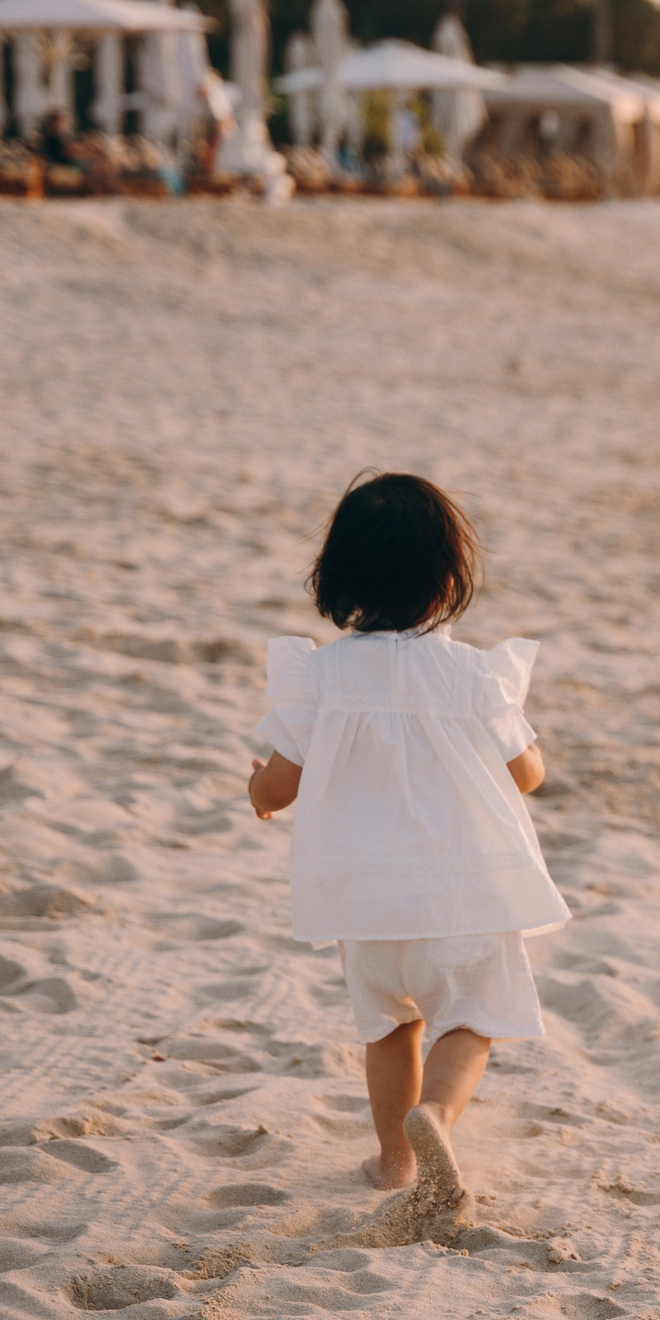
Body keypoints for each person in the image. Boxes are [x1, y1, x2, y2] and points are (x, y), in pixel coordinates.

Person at [245, 472, 567, 1215]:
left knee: (391, 1028)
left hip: (363, 904)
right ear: (450, 578)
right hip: (462, 896)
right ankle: (437, 1118)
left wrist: (256, 791)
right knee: (471, 1020)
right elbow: (528, 774)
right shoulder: (473, 675)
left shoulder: (319, 676)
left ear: (339, 577)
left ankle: (393, 1158)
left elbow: (279, 788)